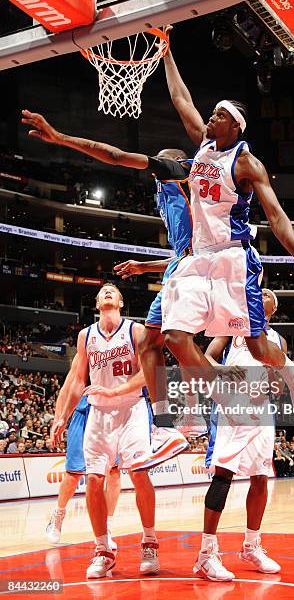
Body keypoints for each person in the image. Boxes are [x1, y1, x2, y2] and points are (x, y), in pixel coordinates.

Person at [160, 29, 294, 416]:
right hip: (198, 258)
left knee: (257, 346)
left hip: (233, 260)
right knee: (173, 336)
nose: (211, 117)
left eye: (220, 115)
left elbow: (275, 214)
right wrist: (166, 51)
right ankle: (222, 394)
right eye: (214, 112)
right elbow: (180, 99)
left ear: (235, 127)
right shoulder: (203, 144)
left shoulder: (246, 163)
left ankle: (290, 371)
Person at [21, 109, 199, 465]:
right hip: (184, 266)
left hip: (195, 271)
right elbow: (184, 251)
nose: (153, 172)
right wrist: (144, 265)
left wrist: (60, 138)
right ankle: (176, 424)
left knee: (168, 343)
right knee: (162, 344)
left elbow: (116, 156)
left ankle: (189, 419)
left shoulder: (183, 175)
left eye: (158, 167)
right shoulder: (163, 194)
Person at [53, 283, 159, 579]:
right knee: (93, 480)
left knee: (139, 473)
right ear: (97, 303)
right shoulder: (86, 336)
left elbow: (149, 373)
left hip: (132, 409)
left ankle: (149, 541)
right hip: (98, 414)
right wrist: (64, 414)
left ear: (121, 302)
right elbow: (76, 380)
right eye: (103, 292)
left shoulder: (136, 331)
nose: (107, 292)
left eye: (113, 290)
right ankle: (103, 550)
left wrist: (116, 392)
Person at [195, 290, 283, 581]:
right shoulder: (232, 325)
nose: (263, 294)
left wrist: (276, 382)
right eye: (261, 294)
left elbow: (277, 381)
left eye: (268, 295)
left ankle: (251, 545)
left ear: (272, 310)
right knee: (223, 475)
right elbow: (207, 355)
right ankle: (206, 554)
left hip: (262, 411)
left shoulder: (277, 340)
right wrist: (223, 372)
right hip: (233, 406)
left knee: (260, 477)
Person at [46, 355, 121, 550]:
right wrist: (58, 420)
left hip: (112, 414)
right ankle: (58, 515)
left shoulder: (122, 347)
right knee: (73, 475)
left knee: (113, 473)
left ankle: (108, 528)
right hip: (83, 414)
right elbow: (65, 390)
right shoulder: (86, 351)